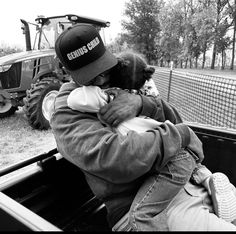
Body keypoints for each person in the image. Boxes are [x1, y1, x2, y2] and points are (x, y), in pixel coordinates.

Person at [51, 24, 236, 231]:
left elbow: (173, 118)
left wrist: (141, 103)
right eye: (90, 74)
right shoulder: (67, 110)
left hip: (188, 180)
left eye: (102, 66)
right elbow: (117, 158)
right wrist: (182, 136)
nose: (102, 77)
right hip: (146, 206)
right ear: (65, 71)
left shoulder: (121, 76)